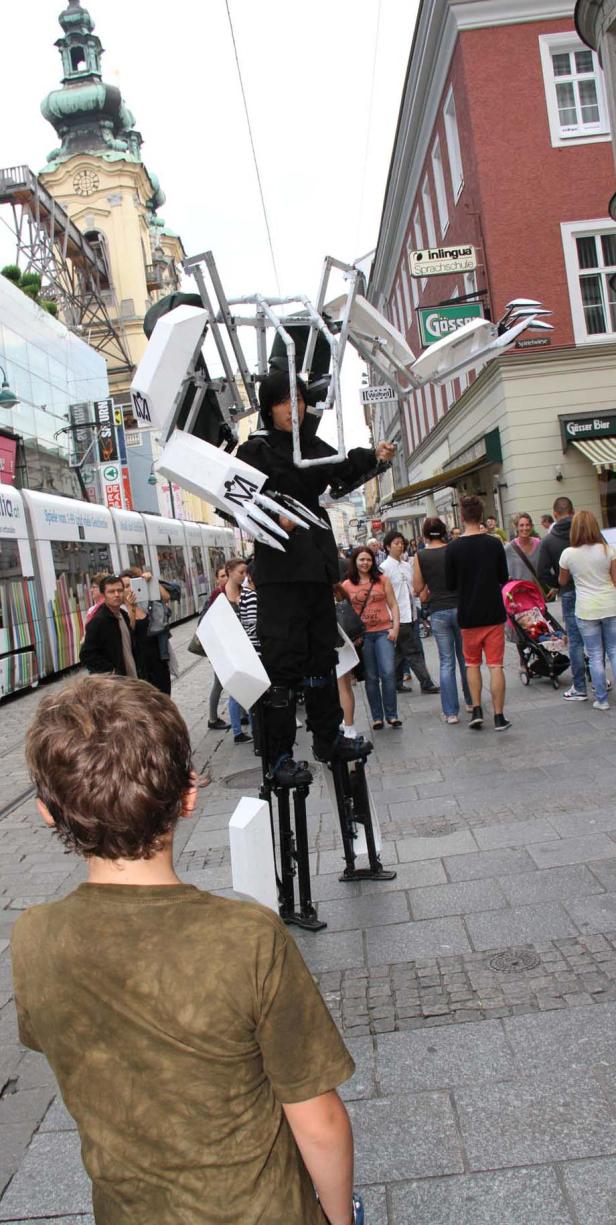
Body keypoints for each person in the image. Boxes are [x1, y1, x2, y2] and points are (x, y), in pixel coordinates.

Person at [11, 674, 357, 1225]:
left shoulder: (33, 938)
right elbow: (320, 1121)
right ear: (189, 795)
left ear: (49, 812)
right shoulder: (246, 937)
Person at [236, 371, 393, 784]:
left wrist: (375, 455)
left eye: (300, 400)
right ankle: (279, 756)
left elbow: (340, 465)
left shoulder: (309, 446)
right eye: (286, 401)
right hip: (280, 574)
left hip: (315, 569)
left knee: (323, 658)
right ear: (269, 406)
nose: (295, 408)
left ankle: (329, 738)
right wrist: (273, 519)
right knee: (282, 667)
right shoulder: (255, 450)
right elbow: (234, 504)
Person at [445, 495, 511, 731]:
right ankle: (499, 716)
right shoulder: (494, 543)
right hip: (493, 612)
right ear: (481, 516)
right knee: (496, 666)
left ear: (462, 517)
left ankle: (476, 710)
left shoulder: (452, 548)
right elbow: (504, 577)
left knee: (471, 664)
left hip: (468, 614)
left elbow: (450, 584)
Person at [413, 517, 472, 724]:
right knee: (465, 659)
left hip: (438, 611)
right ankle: (471, 702)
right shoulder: (454, 549)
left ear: (425, 534)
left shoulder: (420, 555)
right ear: (444, 531)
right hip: (460, 607)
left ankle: (451, 712)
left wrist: (429, 588)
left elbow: (418, 587)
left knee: (446, 662)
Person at [559, 509, 616, 711]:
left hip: (586, 608)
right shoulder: (608, 550)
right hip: (610, 605)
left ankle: (601, 699)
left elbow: (562, 581)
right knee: (614, 651)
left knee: (594, 654)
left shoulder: (568, 554)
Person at [342, 546, 401, 729]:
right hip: (363, 637)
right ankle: (377, 717)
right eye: (361, 560)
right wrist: (351, 637)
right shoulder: (347, 585)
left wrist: (395, 628)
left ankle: (391, 714)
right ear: (355, 562)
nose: (365, 563)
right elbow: (344, 612)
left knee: (389, 673)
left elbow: (393, 604)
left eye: (368, 559)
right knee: (371, 677)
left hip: (384, 631)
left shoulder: (382, 580)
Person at [536, 496, 588, 701]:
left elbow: (541, 571)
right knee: (595, 638)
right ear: (573, 511)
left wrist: (557, 584)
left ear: (555, 514)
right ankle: (600, 678)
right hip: (590, 589)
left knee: (575, 640)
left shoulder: (549, 540)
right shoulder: (586, 532)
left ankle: (580, 686)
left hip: (567, 591)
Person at [379, 529, 438, 695]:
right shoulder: (384, 568)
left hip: (411, 613)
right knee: (413, 651)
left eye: (401, 543)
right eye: (396, 543)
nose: (400, 546)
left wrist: (418, 607)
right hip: (397, 617)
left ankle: (393, 682)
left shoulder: (407, 565)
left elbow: (414, 589)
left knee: (399, 653)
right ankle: (426, 682)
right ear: (388, 547)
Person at [79, 574, 146, 677]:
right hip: (117, 684)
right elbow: (86, 654)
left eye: (119, 590)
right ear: (103, 594)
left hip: (132, 677)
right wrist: (111, 672)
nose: (117, 594)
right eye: (111, 591)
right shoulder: (98, 621)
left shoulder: (123, 614)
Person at [222, 557, 252, 743]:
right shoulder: (219, 594)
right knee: (234, 691)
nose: (244, 576)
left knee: (247, 688)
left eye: (245, 573)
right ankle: (237, 732)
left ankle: (250, 724)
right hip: (230, 648)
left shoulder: (246, 592)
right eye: (241, 572)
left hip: (247, 647)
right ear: (230, 572)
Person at [208, 563, 231, 730]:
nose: (225, 578)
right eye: (222, 576)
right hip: (220, 645)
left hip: (229, 644)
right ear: (217, 579)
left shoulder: (233, 590)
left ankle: (243, 714)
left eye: (226, 575)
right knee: (219, 683)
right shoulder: (218, 593)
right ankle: (212, 718)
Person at [504, 513, 542, 586]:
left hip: (537, 592)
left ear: (531, 526)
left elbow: (547, 567)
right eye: (521, 525)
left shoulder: (539, 544)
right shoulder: (509, 548)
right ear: (516, 527)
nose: (525, 528)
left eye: (527, 525)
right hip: (519, 593)